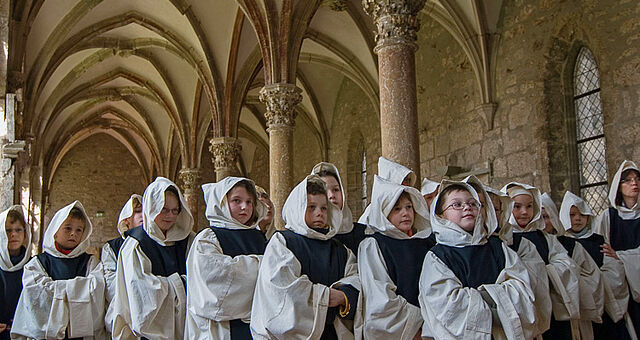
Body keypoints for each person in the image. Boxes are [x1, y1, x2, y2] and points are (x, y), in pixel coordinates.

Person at [419, 180, 537, 339]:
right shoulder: (438, 256)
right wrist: (498, 299)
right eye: (457, 205)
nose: (467, 207)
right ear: (440, 215)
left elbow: (522, 286)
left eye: (473, 203)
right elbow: (445, 305)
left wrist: (479, 298)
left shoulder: (497, 247)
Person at [250, 175, 360, 339]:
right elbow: (281, 288)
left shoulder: (339, 249)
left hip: (333, 333)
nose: (319, 213)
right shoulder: (284, 242)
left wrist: (345, 296)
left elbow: (356, 278)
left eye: (323, 208)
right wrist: (326, 297)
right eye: (311, 207)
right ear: (299, 208)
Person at [109, 177, 194, 340]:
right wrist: (183, 283)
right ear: (151, 208)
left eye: (175, 210)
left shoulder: (188, 240)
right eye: (164, 209)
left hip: (187, 330)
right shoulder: (135, 244)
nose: (170, 215)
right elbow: (142, 295)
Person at [185, 177, 267, 339]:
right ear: (221, 202)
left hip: (259, 325)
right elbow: (215, 281)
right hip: (222, 328)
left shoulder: (259, 237)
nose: (245, 207)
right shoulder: (208, 238)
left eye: (249, 202)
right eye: (237, 201)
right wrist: (262, 264)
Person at [11, 201, 106, 339]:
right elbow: (35, 296)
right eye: (68, 228)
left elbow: (96, 292)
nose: (73, 233)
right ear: (55, 232)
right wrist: (79, 289)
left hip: (81, 335)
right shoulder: (37, 264)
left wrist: (56, 289)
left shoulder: (92, 263)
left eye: (79, 230)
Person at [357, 175, 434, 340]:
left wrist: (431, 325)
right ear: (384, 213)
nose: (405, 213)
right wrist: (415, 328)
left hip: (432, 329)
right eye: (397, 209)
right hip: (404, 331)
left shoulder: (425, 243)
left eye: (409, 207)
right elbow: (380, 299)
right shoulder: (374, 245)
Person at [502, 182, 580, 340]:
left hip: (552, 307)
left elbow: (566, 265)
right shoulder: (504, 239)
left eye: (529, 206)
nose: (524, 212)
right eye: (517, 207)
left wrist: (542, 273)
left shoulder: (545, 238)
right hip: (523, 309)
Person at [595, 160, 640, 336]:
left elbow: (614, 254)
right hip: (619, 286)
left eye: (636, 179)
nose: (634, 183)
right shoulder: (608, 217)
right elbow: (602, 250)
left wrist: (620, 255)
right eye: (627, 180)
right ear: (618, 186)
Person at [102, 194, 143, 333]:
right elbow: (111, 282)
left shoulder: (154, 244)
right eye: (137, 212)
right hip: (124, 309)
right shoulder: (112, 247)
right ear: (127, 219)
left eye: (145, 210)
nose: (142, 215)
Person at [311, 162, 367, 254]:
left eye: (335, 190)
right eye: (324, 190)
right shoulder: (310, 237)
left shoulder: (364, 234)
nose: (331, 195)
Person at [0, 206, 31, 340]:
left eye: (18, 230)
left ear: (25, 234)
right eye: (8, 231)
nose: (13, 235)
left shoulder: (34, 265)